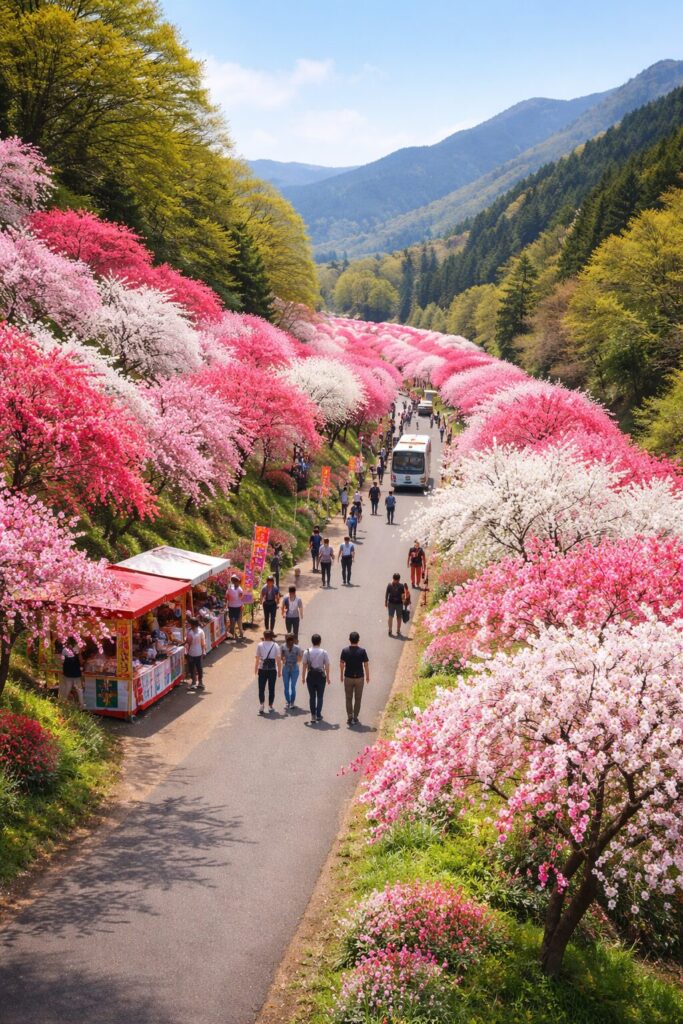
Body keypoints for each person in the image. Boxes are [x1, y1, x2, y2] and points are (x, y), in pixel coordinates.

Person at [340, 631, 370, 726]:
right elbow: (366, 664)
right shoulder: (362, 651)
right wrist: (368, 676)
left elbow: (341, 664)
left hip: (348, 677)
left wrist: (341, 675)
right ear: (358, 640)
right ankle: (355, 716)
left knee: (348, 698)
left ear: (349, 639)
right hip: (359, 678)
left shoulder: (345, 651)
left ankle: (349, 716)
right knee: (358, 698)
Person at [302, 635, 331, 723]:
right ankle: (318, 714)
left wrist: (303, 677)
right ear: (320, 641)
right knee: (320, 696)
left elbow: (304, 665)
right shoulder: (324, 652)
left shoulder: (307, 652)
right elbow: (327, 665)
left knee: (312, 696)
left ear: (312, 641)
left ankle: (313, 715)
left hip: (310, 675)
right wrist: (328, 677)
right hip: (321, 676)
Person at [254, 630, 281, 714]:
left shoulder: (260, 645)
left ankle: (262, 705)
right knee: (271, 688)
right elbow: (278, 660)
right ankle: (270, 706)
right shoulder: (275, 645)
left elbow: (257, 658)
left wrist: (255, 668)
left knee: (261, 688)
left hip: (262, 669)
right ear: (271, 636)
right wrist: (279, 670)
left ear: (264, 636)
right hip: (272, 669)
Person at [58, 638, 85, 709]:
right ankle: (82, 705)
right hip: (76, 672)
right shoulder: (77, 650)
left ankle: (63, 702)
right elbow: (81, 661)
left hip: (68, 672)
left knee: (68, 687)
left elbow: (62, 661)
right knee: (79, 689)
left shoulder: (64, 650)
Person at [280, 633, 302, 709]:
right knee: (292, 686)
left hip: (289, 668)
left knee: (288, 686)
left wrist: (284, 659)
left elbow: (281, 657)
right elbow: (299, 660)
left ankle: (289, 702)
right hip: (292, 667)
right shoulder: (284, 647)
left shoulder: (295, 648)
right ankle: (290, 702)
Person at [185, 616, 207, 691]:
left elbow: (189, 643)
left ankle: (195, 682)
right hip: (197, 652)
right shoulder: (200, 631)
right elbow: (203, 643)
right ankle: (198, 682)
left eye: (190, 624)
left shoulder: (191, 633)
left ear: (193, 625)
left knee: (194, 668)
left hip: (193, 653)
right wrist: (203, 652)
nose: (189, 625)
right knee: (198, 668)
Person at [226, 574, 245, 640]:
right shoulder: (230, 587)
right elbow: (227, 597)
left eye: (235, 581)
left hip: (238, 607)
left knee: (238, 621)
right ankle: (232, 635)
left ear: (238, 581)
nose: (234, 582)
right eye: (233, 580)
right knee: (232, 621)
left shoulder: (240, 589)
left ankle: (241, 634)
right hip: (231, 607)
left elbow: (241, 598)